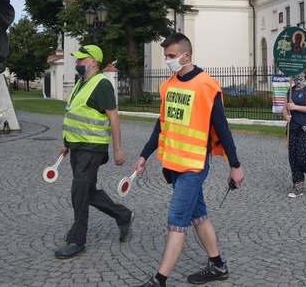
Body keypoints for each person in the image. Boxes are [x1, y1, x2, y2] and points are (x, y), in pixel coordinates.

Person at [132, 33, 243, 287]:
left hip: (194, 165)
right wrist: (143, 155)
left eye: (171, 56)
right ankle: (217, 266)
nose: (168, 60)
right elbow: (161, 123)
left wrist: (235, 165)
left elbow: (222, 129)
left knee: (177, 220)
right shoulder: (169, 85)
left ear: (186, 55)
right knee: (198, 215)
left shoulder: (207, 85)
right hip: (172, 164)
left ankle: (159, 280)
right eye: (166, 56)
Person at [54, 44, 134, 260]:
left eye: (81, 59)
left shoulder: (102, 84)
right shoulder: (82, 83)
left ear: (93, 61)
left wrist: (117, 149)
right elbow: (74, 115)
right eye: (78, 59)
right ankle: (123, 215)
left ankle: (77, 239)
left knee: (78, 190)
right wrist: (66, 143)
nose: (77, 63)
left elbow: (114, 118)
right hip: (77, 147)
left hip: (92, 148)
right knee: (86, 191)